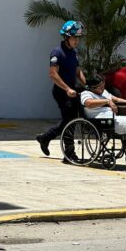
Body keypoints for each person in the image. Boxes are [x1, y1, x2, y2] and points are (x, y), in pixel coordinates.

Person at [36, 20, 86, 162]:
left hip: (72, 91)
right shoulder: (57, 52)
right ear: (66, 37)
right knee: (69, 120)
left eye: (78, 38)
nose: (76, 41)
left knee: (70, 120)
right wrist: (67, 89)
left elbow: (77, 70)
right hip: (61, 92)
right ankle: (69, 154)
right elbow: (53, 74)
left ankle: (45, 137)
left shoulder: (74, 53)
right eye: (74, 38)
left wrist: (86, 83)